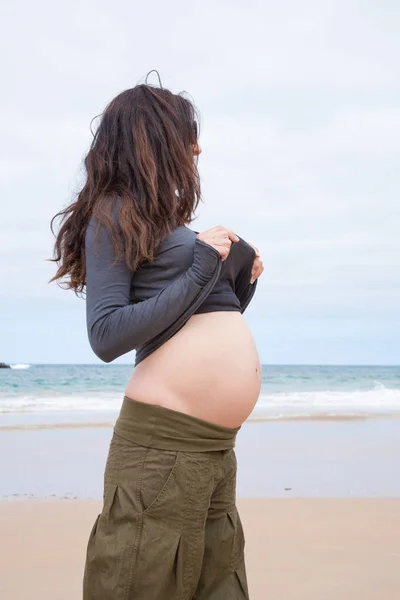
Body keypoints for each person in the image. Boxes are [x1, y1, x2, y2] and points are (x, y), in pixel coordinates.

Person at [50, 76, 264, 600]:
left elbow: (198, 323)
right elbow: (106, 336)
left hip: (215, 449)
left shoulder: (171, 225)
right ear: (153, 138)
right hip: (161, 446)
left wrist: (241, 278)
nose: (196, 148)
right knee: (141, 582)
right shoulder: (113, 215)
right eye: (186, 135)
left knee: (217, 586)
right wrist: (200, 268)